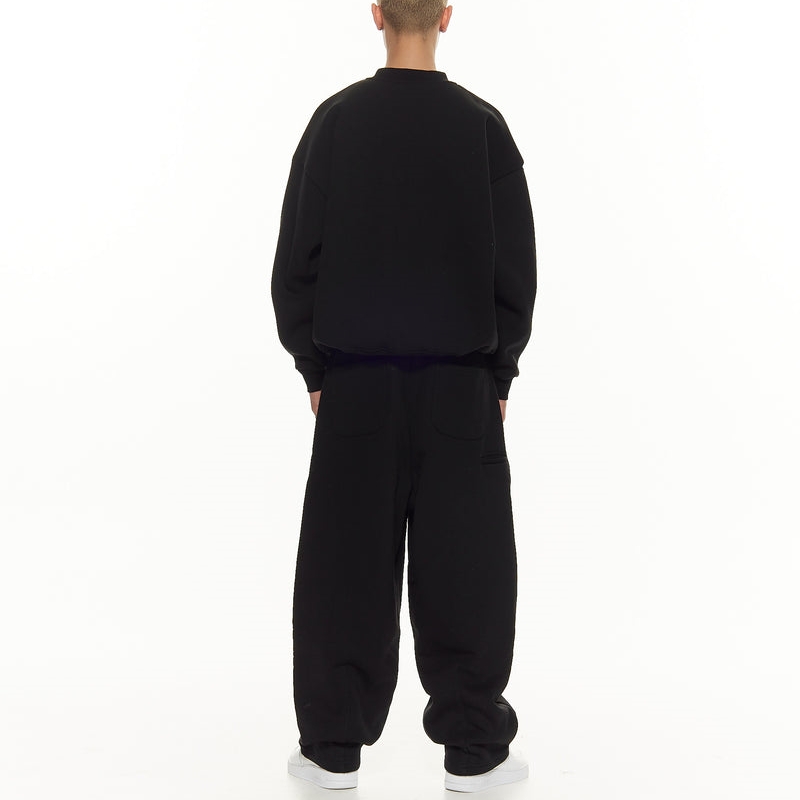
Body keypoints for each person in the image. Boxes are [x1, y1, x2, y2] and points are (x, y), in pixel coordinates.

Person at [271, 0, 536, 792]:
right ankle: (475, 751)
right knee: (469, 565)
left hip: (356, 382)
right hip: (459, 382)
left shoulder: (335, 124)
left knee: (344, 562)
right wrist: (499, 372)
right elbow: (514, 269)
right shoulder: (483, 128)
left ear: (376, 14)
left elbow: (297, 262)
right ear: (447, 17)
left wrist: (315, 367)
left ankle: (331, 752)